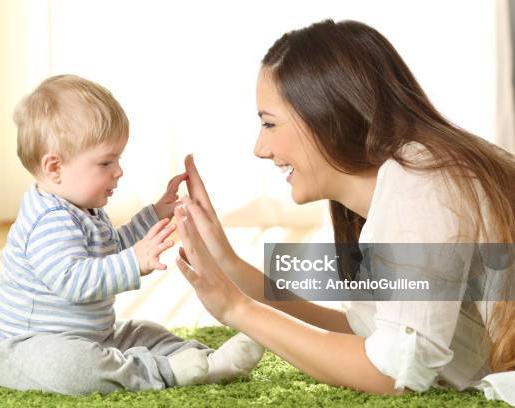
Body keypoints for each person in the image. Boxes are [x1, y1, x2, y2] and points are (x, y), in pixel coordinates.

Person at [172, 19, 515, 405]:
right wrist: (228, 263)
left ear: (326, 116)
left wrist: (238, 309)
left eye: (269, 123)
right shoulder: (403, 182)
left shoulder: (421, 182)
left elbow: (395, 371)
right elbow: (371, 339)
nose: (259, 148)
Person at [0, 74, 264, 396]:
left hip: (94, 334)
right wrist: (135, 262)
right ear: (54, 168)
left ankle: (206, 361)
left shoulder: (82, 208)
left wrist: (155, 214)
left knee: (145, 333)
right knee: (76, 368)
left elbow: (111, 248)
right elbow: (74, 280)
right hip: (33, 347)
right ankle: (167, 371)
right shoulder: (47, 219)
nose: (118, 171)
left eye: (118, 159)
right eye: (106, 162)